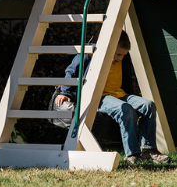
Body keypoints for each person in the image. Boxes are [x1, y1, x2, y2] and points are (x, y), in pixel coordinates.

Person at [55, 31, 170, 165]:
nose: (120, 58)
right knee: (125, 109)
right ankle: (132, 155)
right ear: (109, 47)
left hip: (119, 94)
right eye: (118, 54)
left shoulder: (121, 59)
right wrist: (65, 92)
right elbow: (71, 71)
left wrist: (119, 58)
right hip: (99, 96)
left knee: (148, 105)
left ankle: (149, 149)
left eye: (123, 55)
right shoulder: (90, 54)